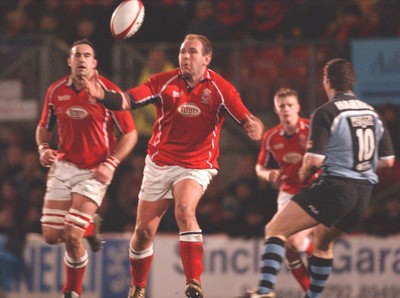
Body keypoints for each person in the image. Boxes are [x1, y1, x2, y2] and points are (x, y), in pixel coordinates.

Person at [83, 34, 264, 298]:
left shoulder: (221, 89)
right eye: (182, 52)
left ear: (206, 59)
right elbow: (129, 100)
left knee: (183, 209)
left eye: (192, 52)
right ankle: (138, 287)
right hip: (160, 162)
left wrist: (254, 126)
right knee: (143, 232)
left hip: (196, 164)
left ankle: (193, 283)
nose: (185, 57)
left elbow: (247, 117)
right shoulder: (163, 81)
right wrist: (103, 95)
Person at [246, 58, 395, 298]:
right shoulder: (372, 113)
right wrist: (359, 167)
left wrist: (307, 173)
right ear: (351, 82)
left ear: (326, 81)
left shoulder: (326, 112)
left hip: (334, 187)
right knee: (323, 244)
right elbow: (388, 161)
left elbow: (313, 161)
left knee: (275, 229)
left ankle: (264, 290)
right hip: (363, 195)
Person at [35, 39, 137, 298]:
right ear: (69, 61)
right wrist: (43, 148)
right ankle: (91, 226)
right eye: (76, 55)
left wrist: (111, 163)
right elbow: (43, 126)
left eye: (87, 55)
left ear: (94, 63)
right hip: (63, 166)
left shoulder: (109, 92)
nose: (81, 59)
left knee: (71, 234)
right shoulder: (56, 90)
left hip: (94, 171)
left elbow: (130, 133)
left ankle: (72, 291)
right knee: (50, 235)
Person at [255, 88, 314, 292]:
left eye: (290, 105)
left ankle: (265, 289)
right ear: (276, 109)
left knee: (293, 241)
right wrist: (267, 174)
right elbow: (259, 167)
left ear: (298, 107)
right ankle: (310, 290)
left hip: (314, 191)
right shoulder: (271, 137)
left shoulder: (311, 129)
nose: (286, 109)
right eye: (282, 106)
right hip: (288, 193)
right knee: (288, 246)